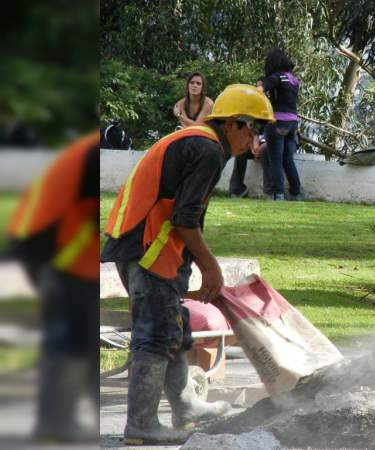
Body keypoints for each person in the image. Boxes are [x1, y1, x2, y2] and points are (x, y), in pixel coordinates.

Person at [101, 84, 275, 445]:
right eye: (253, 128)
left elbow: (182, 213)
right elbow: (185, 218)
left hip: (142, 241)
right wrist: (211, 266)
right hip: (149, 247)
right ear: (232, 124)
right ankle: (141, 425)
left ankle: (185, 407)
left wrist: (191, 261)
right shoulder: (208, 149)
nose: (255, 138)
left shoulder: (200, 142)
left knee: (172, 327)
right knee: (155, 335)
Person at [6, 133, 100, 444]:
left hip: (55, 248)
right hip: (59, 253)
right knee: (67, 338)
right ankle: (55, 422)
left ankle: (63, 419)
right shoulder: (91, 155)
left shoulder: (87, 150)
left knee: (76, 336)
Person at [258, 48, 302, 201]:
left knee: (275, 160)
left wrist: (260, 83)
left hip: (277, 122)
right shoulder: (293, 80)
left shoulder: (276, 77)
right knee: (287, 159)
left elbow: (259, 91)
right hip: (292, 124)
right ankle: (296, 193)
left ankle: (279, 194)